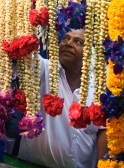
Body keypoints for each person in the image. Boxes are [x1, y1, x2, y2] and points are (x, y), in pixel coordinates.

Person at [17, 28, 107, 168]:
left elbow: (102, 130)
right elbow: (20, 52)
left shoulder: (98, 87)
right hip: (31, 164)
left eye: (78, 41)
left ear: (90, 53)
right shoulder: (43, 69)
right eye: (65, 38)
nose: (68, 43)